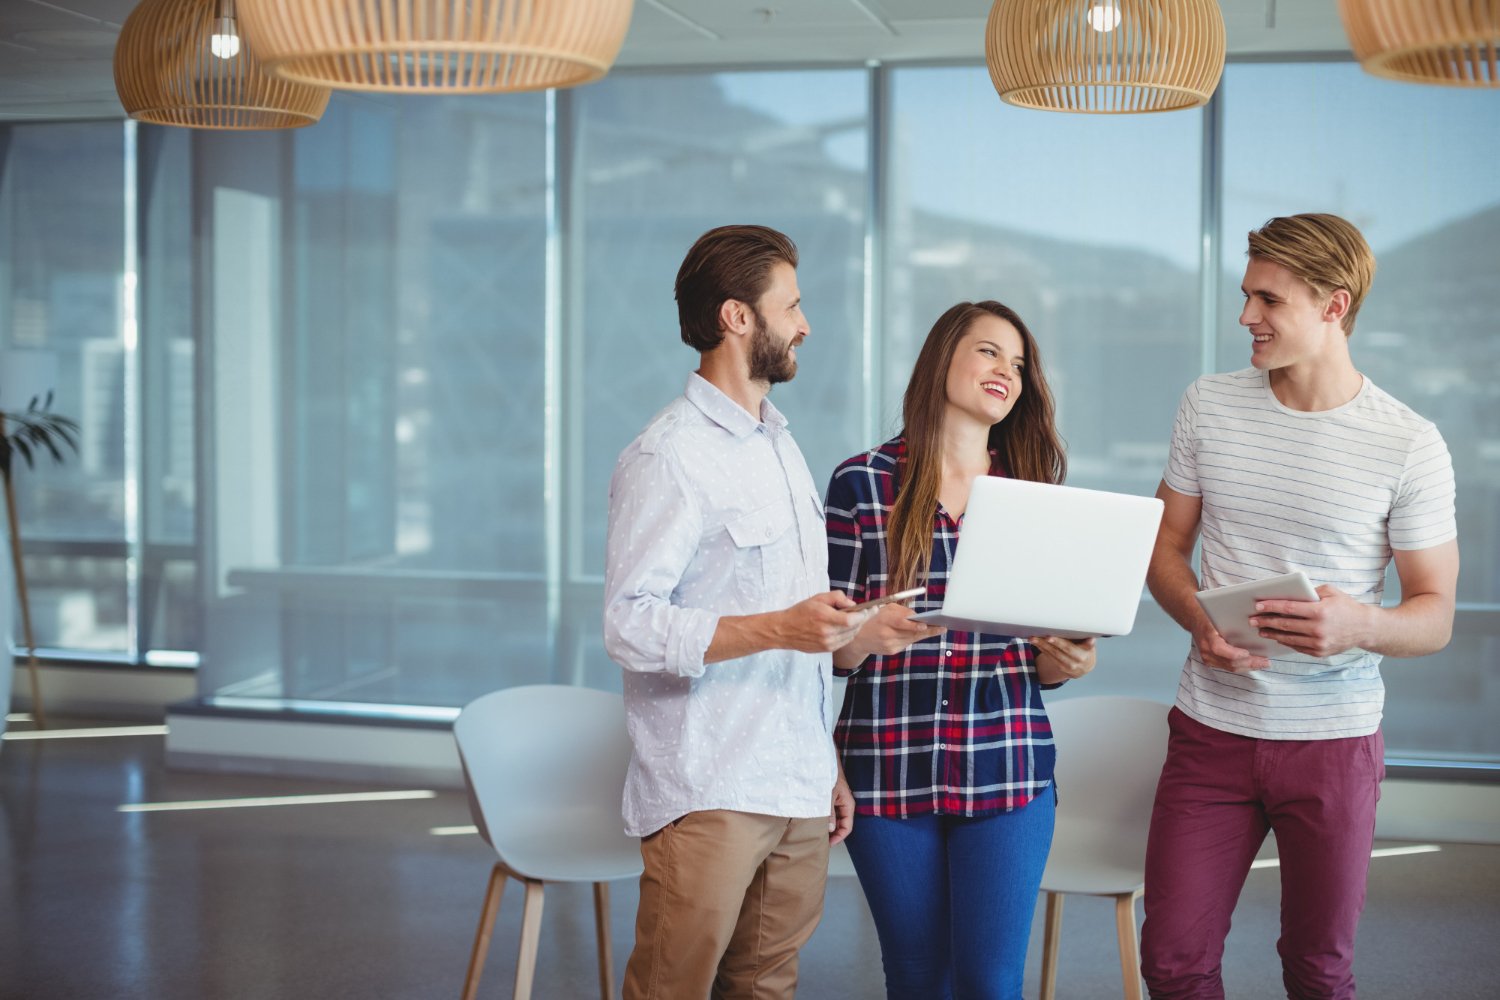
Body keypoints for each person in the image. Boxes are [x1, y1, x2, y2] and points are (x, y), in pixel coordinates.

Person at [1139, 213, 1459, 1000]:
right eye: (1247, 295)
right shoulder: (1208, 405)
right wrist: (1200, 619)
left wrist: (1360, 625)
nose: (1246, 315)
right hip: (1211, 732)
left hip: (1334, 745)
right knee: (1172, 963)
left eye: (1268, 300)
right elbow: (1162, 548)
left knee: (1317, 970)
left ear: (1333, 305)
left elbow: (1436, 614)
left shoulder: (1408, 443)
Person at [605, 224, 907, 1000]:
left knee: (767, 987)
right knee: (671, 989)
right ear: (737, 317)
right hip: (710, 787)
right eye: (792, 305)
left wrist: (824, 760)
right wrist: (781, 628)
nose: (805, 325)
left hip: (795, 784)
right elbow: (629, 623)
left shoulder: (780, 447)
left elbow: (797, 631)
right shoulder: (669, 454)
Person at [824, 300, 1099, 1000]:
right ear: (942, 356)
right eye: (988, 351)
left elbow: (1042, 659)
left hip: (1008, 766)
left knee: (991, 982)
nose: (1006, 370)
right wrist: (860, 637)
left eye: (1019, 363)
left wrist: (1067, 660)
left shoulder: (1034, 495)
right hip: (885, 769)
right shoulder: (861, 483)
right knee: (918, 978)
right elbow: (823, 649)